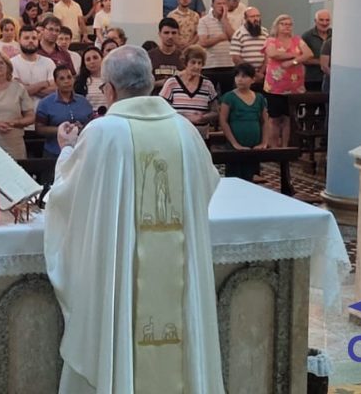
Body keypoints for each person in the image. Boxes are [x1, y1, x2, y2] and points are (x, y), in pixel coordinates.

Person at [44, 45, 225, 393]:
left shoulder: (102, 133)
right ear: (151, 84)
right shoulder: (184, 131)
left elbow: (69, 199)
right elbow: (206, 186)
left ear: (109, 89)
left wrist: (67, 148)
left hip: (122, 273)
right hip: (175, 268)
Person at [262, 14, 311, 147]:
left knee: (288, 119)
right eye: (283, 24)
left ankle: (285, 147)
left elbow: (308, 54)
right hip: (276, 87)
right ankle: (273, 147)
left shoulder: (297, 40)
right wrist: (295, 54)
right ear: (277, 26)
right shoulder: (271, 40)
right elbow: (273, 54)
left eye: (289, 24)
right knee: (275, 119)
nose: (287, 27)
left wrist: (293, 62)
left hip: (294, 86)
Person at [220, 63, 272, 181]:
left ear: (253, 79)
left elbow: (264, 121)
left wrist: (264, 142)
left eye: (244, 76)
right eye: (237, 76)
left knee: (251, 177)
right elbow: (223, 121)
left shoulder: (259, 98)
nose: (240, 79)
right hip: (235, 145)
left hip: (254, 146)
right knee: (235, 178)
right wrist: (235, 144)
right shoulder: (229, 97)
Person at [37, 65, 93, 158]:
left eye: (69, 77)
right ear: (56, 82)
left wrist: (81, 128)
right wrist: (61, 130)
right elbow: (39, 129)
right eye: (62, 78)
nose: (66, 81)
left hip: (81, 151)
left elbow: (91, 123)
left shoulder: (83, 101)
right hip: (55, 152)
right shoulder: (46, 103)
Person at [160, 45, 220, 129]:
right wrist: (185, 118)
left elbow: (215, 112)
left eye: (200, 63)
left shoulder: (207, 85)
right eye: (193, 62)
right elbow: (162, 110)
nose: (197, 66)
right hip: (178, 133)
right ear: (185, 63)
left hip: (201, 136)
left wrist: (202, 118)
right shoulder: (172, 83)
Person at [11, 26, 57, 102]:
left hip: (45, 111)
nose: (31, 41)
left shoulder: (48, 62)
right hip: (21, 111)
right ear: (19, 40)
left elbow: (54, 91)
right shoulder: (11, 63)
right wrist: (45, 83)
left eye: (34, 38)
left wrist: (28, 89)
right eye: (26, 38)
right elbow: (18, 91)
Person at [229, 7, 267, 80]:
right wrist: (253, 73)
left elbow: (267, 55)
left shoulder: (265, 33)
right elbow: (235, 58)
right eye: (252, 16)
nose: (256, 19)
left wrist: (261, 73)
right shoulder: (238, 34)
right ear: (245, 18)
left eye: (258, 16)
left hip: (262, 75)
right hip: (244, 75)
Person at [300, 9, 331, 90]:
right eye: (321, 20)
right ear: (315, 21)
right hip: (313, 78)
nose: (324, 23)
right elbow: (301, 58)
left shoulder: (335, 35)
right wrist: (322, 62)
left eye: (327, 20)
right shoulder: (307, 36)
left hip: (330, 79)